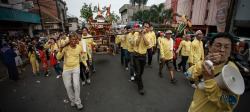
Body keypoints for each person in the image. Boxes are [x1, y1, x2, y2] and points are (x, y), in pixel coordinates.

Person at [187, 32, 241, 112]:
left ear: (230, 51)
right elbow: (189, 75)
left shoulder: (232, 70)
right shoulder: (204, 62)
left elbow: (230, 104)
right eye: (218, 45)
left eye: (226, 47)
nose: (222, 50)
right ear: (209, 47)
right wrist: (202, 65)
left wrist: (209, 81)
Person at [57, 33, 88, 110]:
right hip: (66, 69)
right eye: (72, 39)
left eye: (75, 39)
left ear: (77, 39)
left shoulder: (79, 47)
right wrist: (60, 50)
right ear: (69, 40)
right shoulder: (65, 47)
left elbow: (82, 57)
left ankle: (78, 102)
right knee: (68, 86)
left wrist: (86, 65)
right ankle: (73, 100)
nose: (74, 41)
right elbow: (58, 57)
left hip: (76, 68)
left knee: (76, 85)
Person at [133, 21, 150, 94]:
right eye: (144, 26)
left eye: (147, 27)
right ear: (142, 26)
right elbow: (136, 43)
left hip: (143, 56)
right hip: (136, 55)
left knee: (141, 71)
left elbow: (147, 44)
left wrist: (143, 35)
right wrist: (140, 35)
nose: (145, 28)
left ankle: (137, 77)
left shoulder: (148, 35)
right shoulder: (136, 33)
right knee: (138, 72)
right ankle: (141, 87)